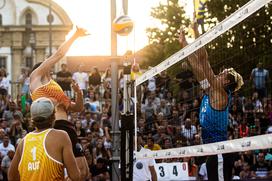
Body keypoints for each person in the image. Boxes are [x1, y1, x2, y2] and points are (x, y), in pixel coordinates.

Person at [178, 23, 244, 181]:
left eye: (224, 74)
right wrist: (184, 43)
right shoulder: (210, 91)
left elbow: (204, 61)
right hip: (212, 151)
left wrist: (196, 31)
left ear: (228, 83)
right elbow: (196, 66)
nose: (220, 73)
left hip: (219, 152)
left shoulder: (221, 95)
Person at [29, 26, 89, 179]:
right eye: (46, 65)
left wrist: (78, 94)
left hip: (66, 125)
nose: (48, 65)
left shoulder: (54, 86)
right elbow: (59, 54)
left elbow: (77, 108)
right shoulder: (36, 77)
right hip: (55, 126)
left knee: (84, 172)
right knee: (78, 173)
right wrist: (75, 35)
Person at [8, 97, 81, 181]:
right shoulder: (61, 137)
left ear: (32, 119)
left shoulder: (23, 142)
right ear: (53, 116)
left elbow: (11, 177)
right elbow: (75, 176)